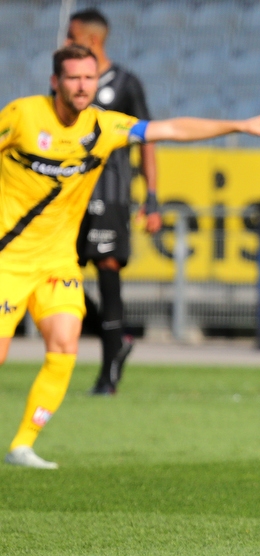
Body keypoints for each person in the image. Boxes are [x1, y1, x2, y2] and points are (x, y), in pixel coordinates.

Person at [0, 44, 260, 469]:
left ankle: (22, 444)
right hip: (7, 260)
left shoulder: (105, 126)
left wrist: (238, 125)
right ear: (54, 82)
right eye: (73, 78)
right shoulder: (22, 116)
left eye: (89, 78)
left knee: (65, 344)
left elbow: (171, 130)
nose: (82, 87)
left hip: (57, 261)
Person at [65, 8, 160, 395]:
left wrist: (151, 198)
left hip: (112, 191)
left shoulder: (125, 83)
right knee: (60, 271)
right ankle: (116, 339)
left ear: (91, 40)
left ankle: (108, 374)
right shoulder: (67, 83)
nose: (65, 43)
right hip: (71, 189)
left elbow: (148, 138)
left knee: (107, 272)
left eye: (71, 36)